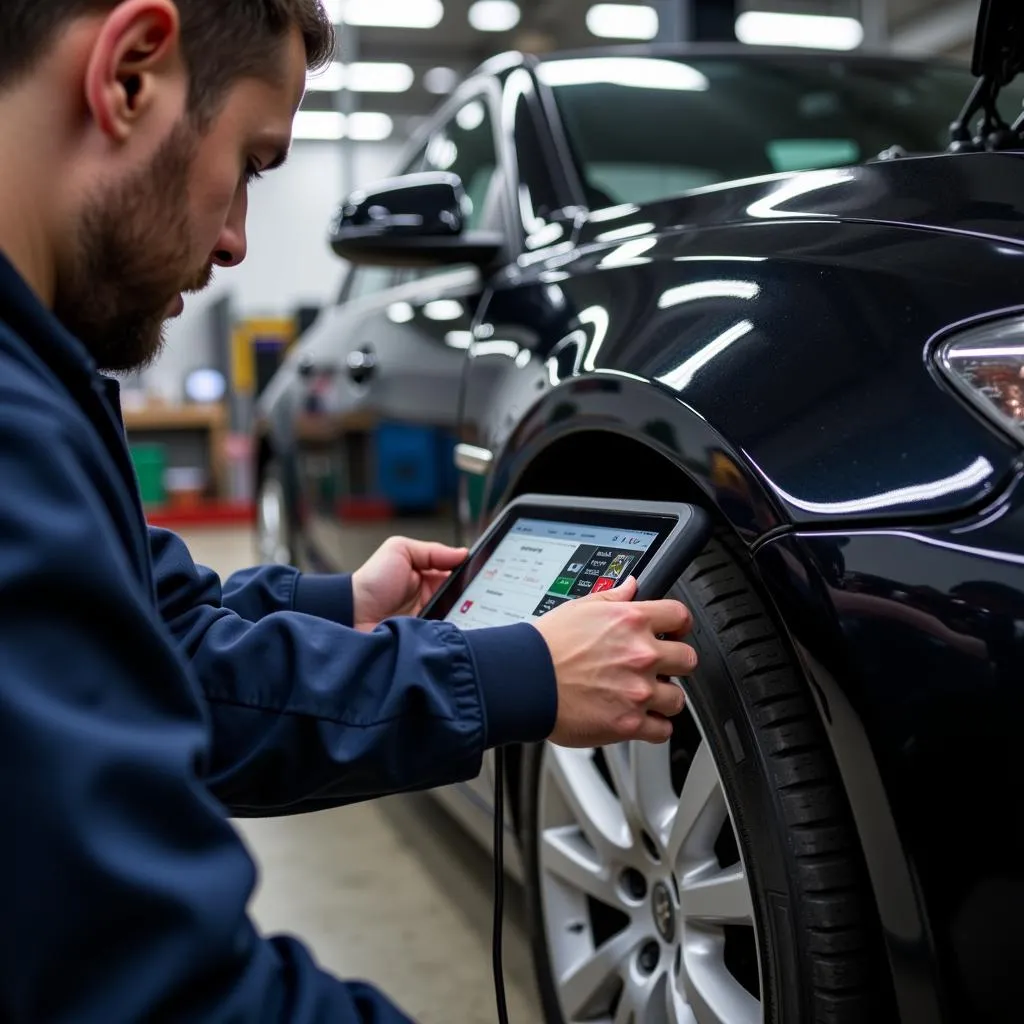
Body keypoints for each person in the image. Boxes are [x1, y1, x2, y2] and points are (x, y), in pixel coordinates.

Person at [0, 2, 698, 1021]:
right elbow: (148, 986)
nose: (238, 239)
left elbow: (157, 646)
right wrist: (510, 671)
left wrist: (342, 605)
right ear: (130, 73)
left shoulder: (43, 382)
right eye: (250, 161)